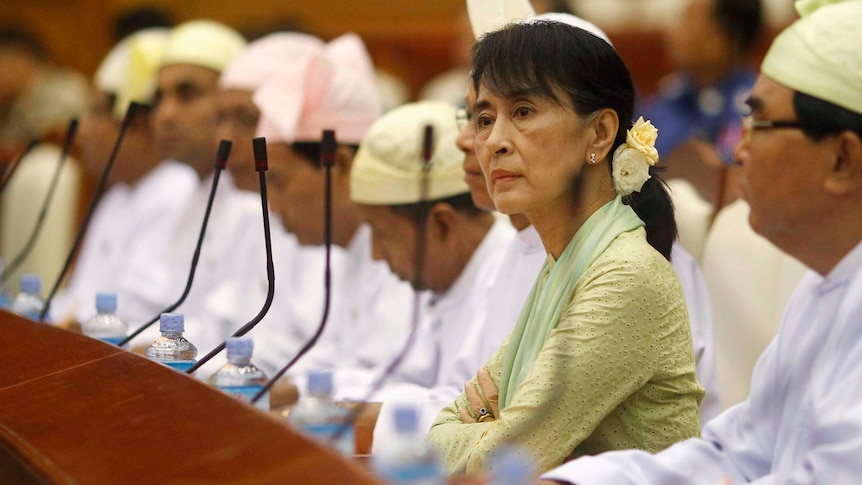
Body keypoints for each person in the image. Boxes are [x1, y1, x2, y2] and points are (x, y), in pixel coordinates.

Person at [540, 1, 862, 483]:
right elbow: (735, 453)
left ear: (842, 159)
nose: (738, 148)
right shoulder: (822, 288)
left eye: (761, 124)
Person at [426, 15, 703, 474]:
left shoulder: (623, 276)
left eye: (524, 112)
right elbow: (439, 437)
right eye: (485, 118)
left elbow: (492, 466)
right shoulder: (566, 262)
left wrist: (488, 428)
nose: (493, 141)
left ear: (599, 133)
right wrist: (489, 428)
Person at [252, 33, 416, 391]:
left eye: (279, 182)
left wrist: (285, 392)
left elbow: (399, 381)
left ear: (340, 164)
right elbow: (329, 356)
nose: (273, 208)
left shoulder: (403, 249)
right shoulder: (344, 251)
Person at [349, 100, 514, 439]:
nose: (376, 255)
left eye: (382, 234)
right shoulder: (449, 279)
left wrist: (345, 416)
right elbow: (415, 381)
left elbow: (483, 420)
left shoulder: (511, 270)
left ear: (442, 224)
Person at [48, 28, 198, 325]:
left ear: (139, 125)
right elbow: (79, 298)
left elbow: (142, 317)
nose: (83, 129)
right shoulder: (119, 195)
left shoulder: (177, 192)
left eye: (96, 112)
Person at [143, 20, 258, 352]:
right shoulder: (186, 192)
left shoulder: (255, 202)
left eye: (187, 94)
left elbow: (238, 338)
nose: (165, 114)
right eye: (159, 98)